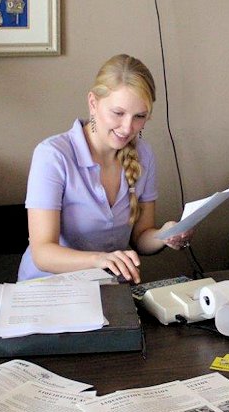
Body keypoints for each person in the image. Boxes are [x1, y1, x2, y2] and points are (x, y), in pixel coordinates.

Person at [18, 54, 192, 283]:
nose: (127, 128)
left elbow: (141, 237)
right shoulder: (53, 156)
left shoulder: (144, 155)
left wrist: (165, 235)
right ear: (93, 103)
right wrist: (100, 260)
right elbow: (42, 253)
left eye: (139, 116)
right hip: (48, 290)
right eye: (118, 113)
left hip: (109, 290)